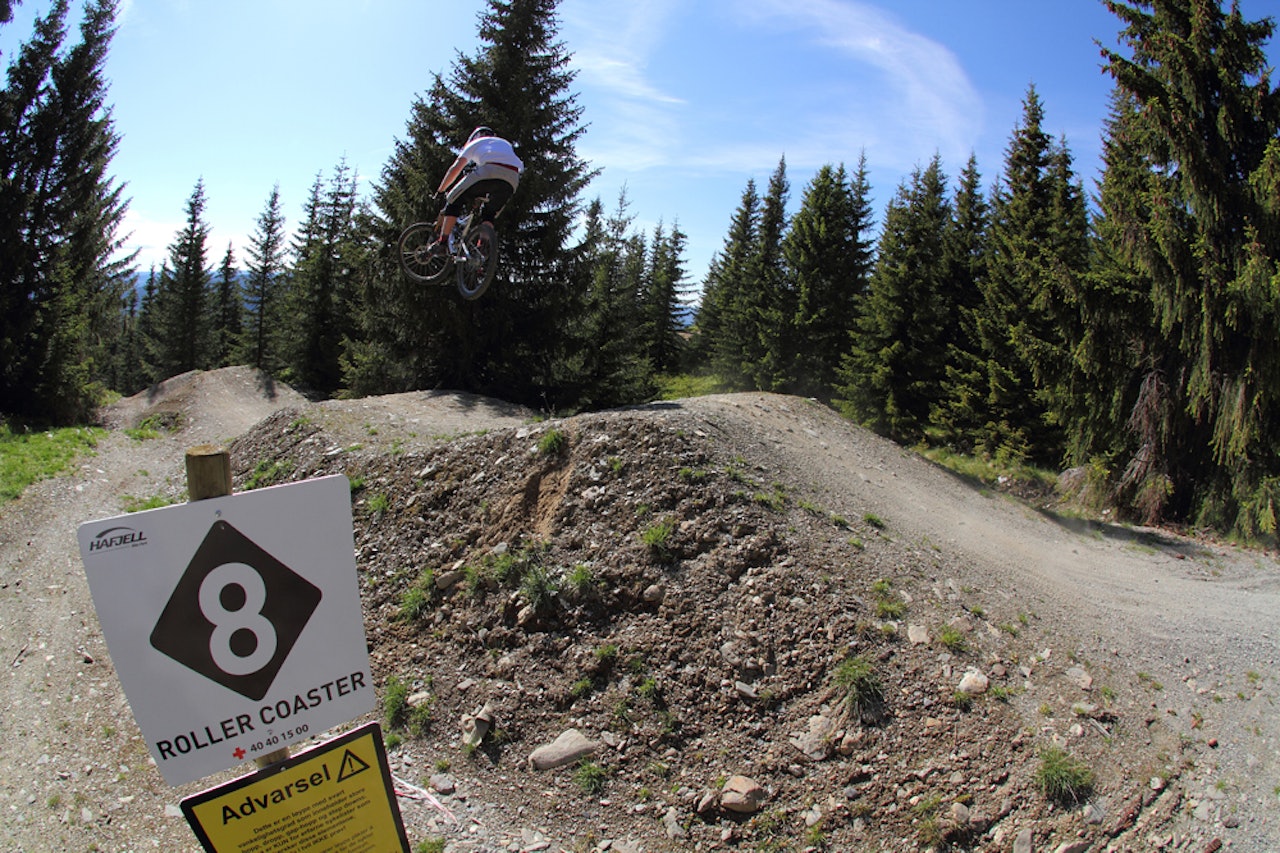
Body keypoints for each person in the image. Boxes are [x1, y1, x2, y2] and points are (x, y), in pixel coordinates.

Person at [431, 126, 524, 254]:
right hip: (513, 178)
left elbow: (455, 169)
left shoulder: (475, 143)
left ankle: (442, 242)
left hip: (489, 170)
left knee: (453, 199)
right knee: (489, 214)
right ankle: (481, 251)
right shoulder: (504, 143)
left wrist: (441, 190)